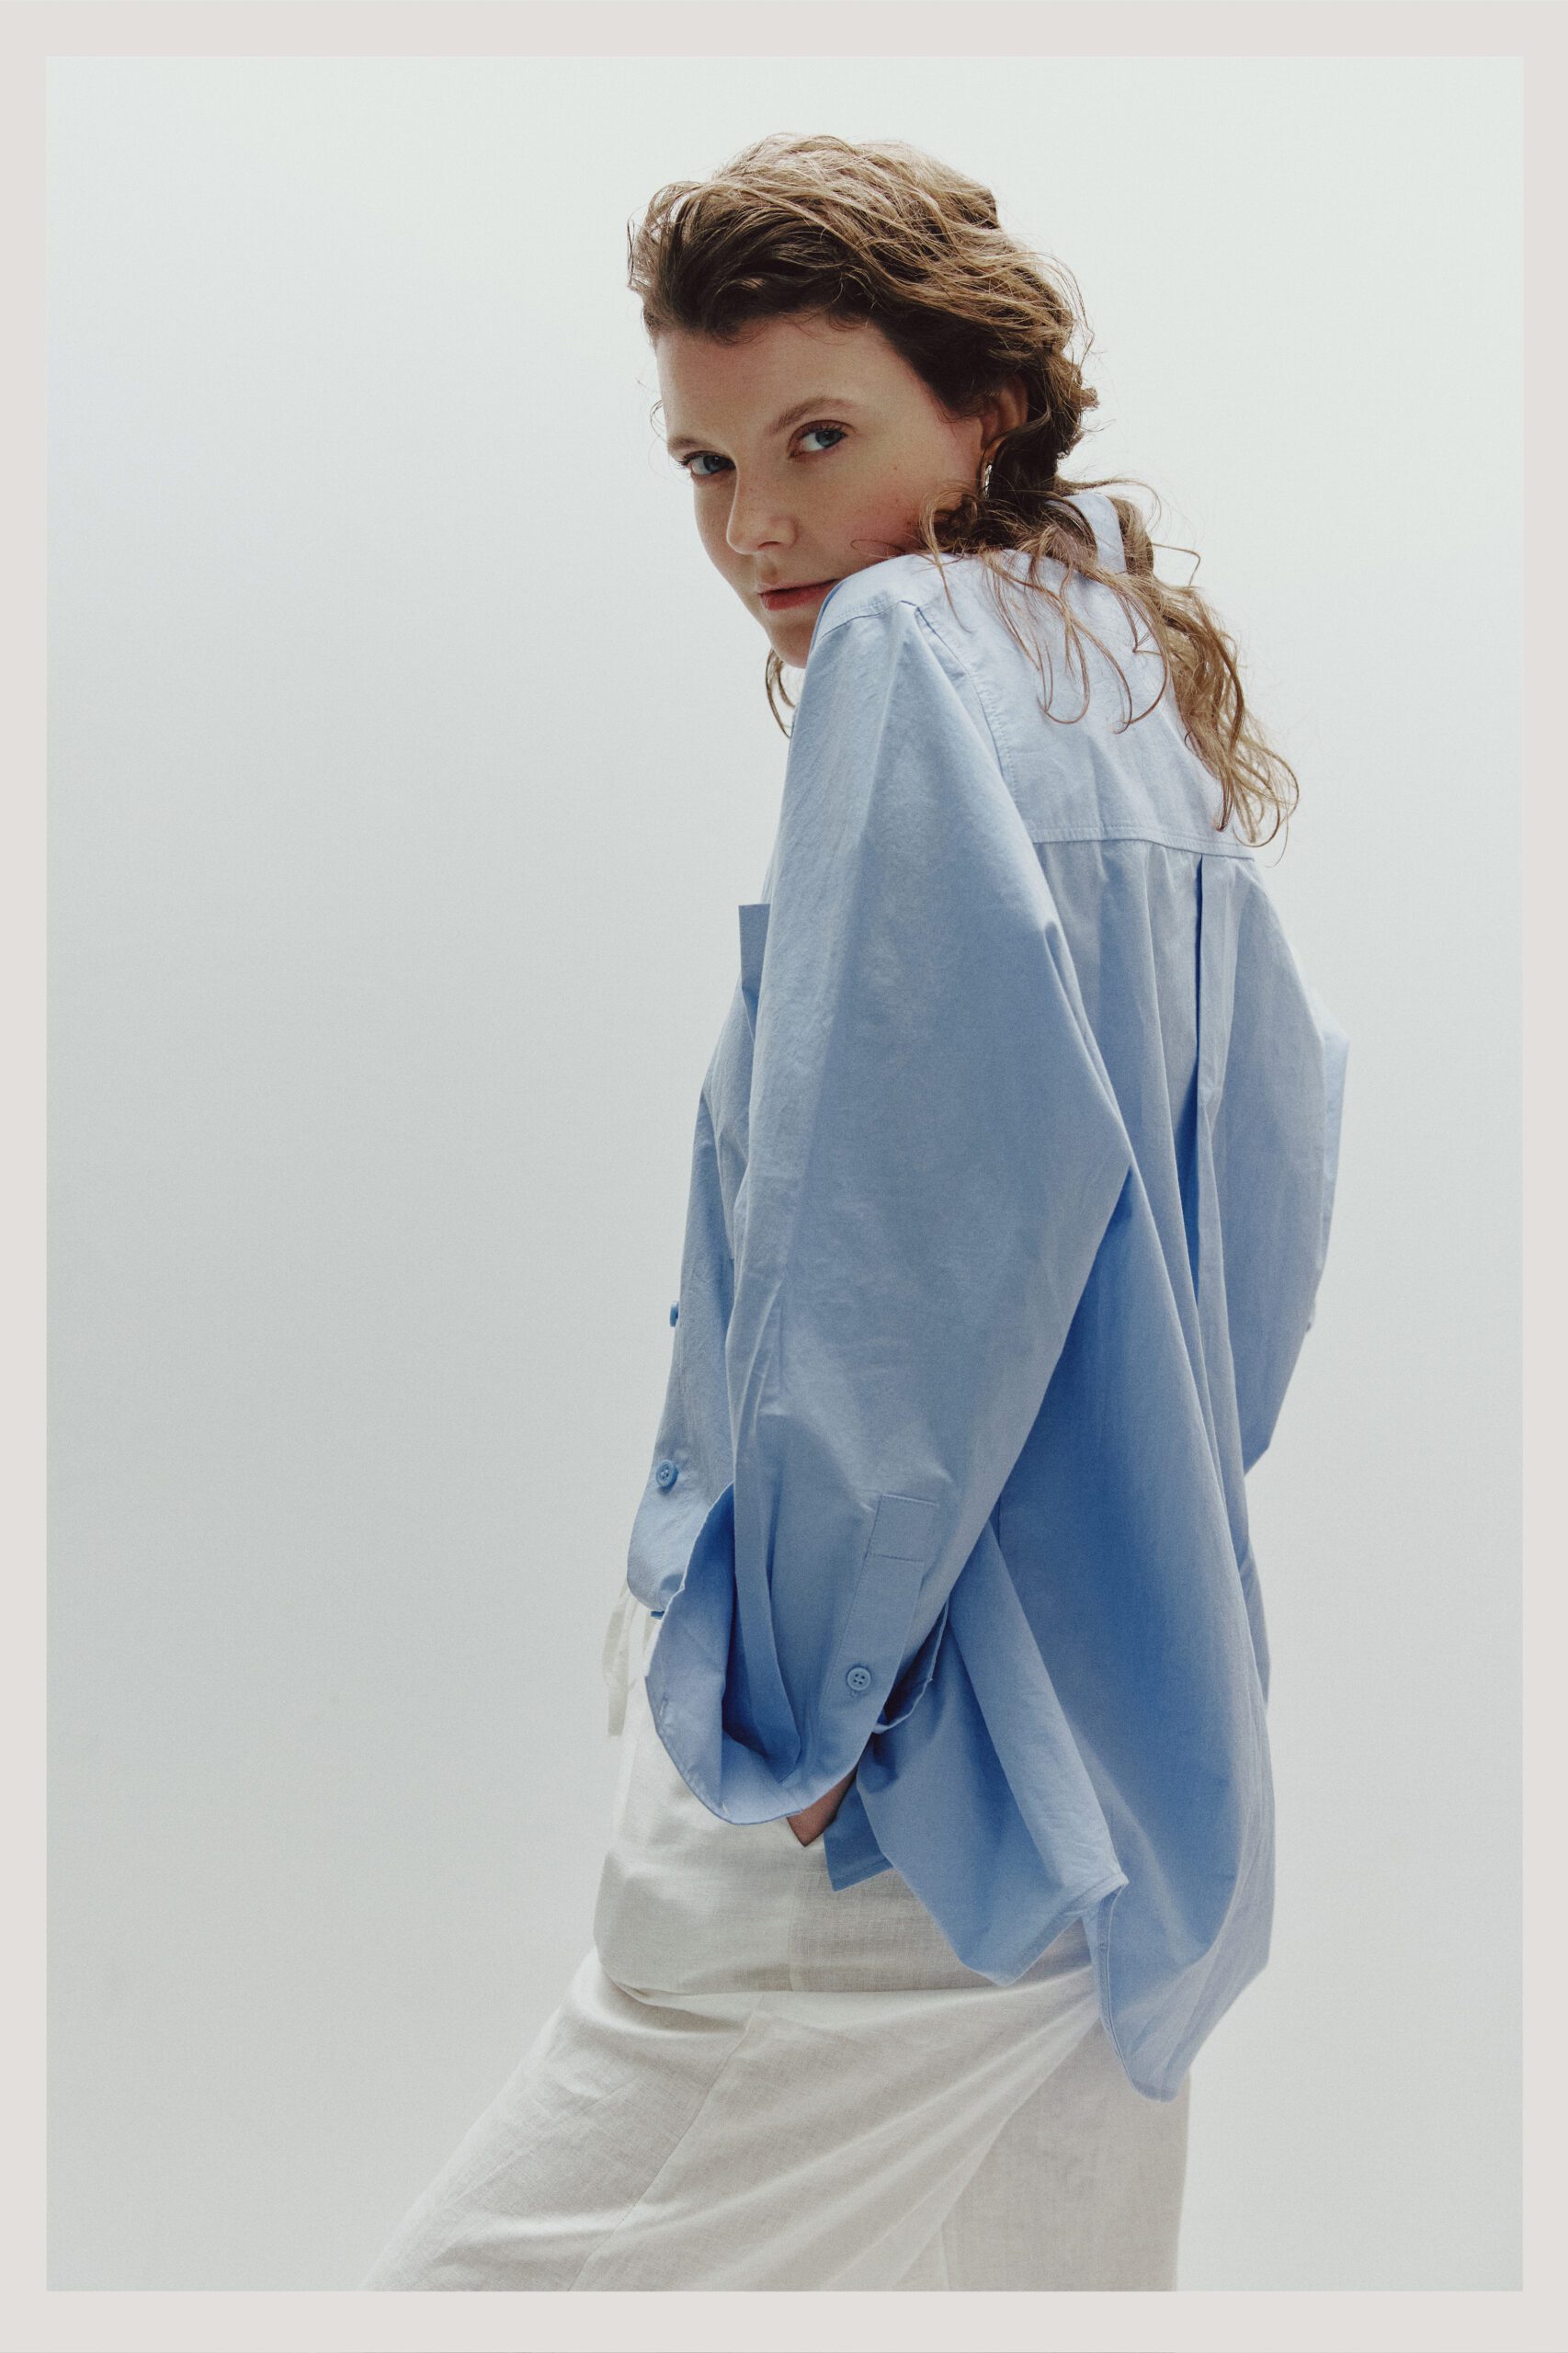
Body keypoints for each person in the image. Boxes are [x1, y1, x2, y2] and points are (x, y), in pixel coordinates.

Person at [358, 131, 1348, 2294]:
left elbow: (886, 1246)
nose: (757, 527)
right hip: (1135, 1741)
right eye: (706, 464)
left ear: (984, 407)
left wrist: (802, 1687)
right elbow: (1262, 1209)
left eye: (817, 438)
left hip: (907, 1771)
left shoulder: (910, 651)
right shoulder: (1110, 673)